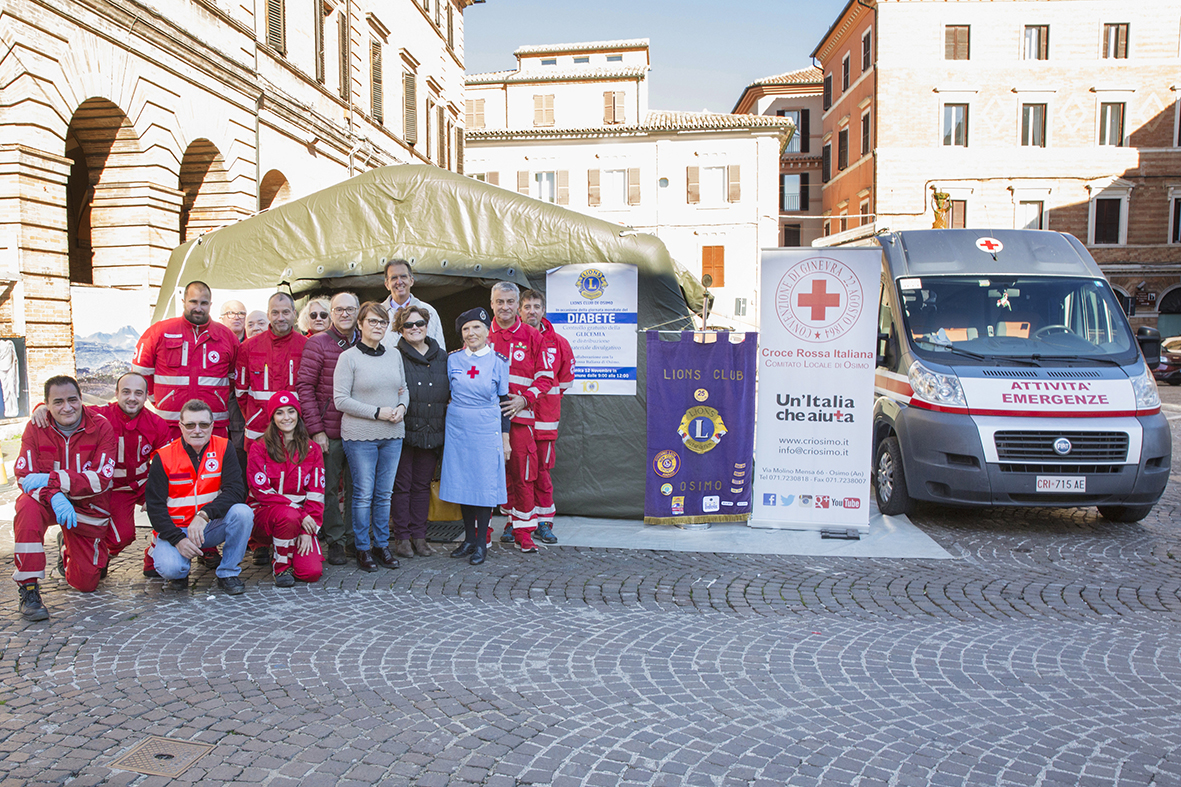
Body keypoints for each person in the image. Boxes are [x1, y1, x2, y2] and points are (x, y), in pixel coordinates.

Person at [28, 372, 172, 567]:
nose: (132, 398)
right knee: (122, 536)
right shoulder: (100, 415)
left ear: (146, 396)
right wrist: (41, 408)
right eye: (126, 392)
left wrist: (157, 492)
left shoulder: (157, 424)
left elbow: (166, 463)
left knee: (174, 508)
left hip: (142, 485)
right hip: (113, 487)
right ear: (116, 393)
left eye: (138, 393)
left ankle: (153, 560)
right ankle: (82, 554)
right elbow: (69, 409)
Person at [13, 376, 117, 621]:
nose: (67, 407)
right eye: (57, 402)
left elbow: (100, 479)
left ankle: (65, 547)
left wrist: (52, 479)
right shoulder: (35, 428)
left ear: (81, 399)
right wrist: (56, 496)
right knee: (27, 506)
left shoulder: (101, 427)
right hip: (48, 503)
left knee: (87, 583)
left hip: (87, 506)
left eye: (72, 399)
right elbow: (25, 478)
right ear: (46, 405)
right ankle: (28, 589)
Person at [145, 399, 252, 595]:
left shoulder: (224, 448)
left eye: (203, 424)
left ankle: (228, 573)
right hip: (175, 530)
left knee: (243, 513)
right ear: (180, 426)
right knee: (171, 569)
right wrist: (178, 540)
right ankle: (180, 570)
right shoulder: (163, 456)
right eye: (190, 425)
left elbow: (236, 491)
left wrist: (204, 515)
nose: (197, 430)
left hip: (207, 527)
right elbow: (155, 507)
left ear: (212, 426)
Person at [333, 302, 409, 572]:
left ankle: (382, 545)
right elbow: (341, 400)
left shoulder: (394, 355)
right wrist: (377, 412)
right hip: (360, 435)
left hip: (392, 434)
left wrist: (401, 408)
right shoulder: (349, 358)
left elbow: (403, 389)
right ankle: (363, 548)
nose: (378, 327)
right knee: (363, 494)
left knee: (384, 495)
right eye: (373, 322)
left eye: (382, 323)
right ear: (361, 325)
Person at [236, 292, 308, 565]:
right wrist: (256, 420)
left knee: (292, 484)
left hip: (294, 433)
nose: (280, 318)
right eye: (275, 313)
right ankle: (259, 543)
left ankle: (293, 535)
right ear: (268, 314)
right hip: (258, 434)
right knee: (257, 488)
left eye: (285, 312)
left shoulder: (305, 345)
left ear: (293, 313)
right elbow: (241, 392)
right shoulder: (249, 347)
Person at [439, 307, 511, 566]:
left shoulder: (499, 361)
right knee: (463, 483)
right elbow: (446, 392)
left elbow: (504, 402)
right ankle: (469, 539)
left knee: (483, 486)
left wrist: (505, 437)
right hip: (458, 428)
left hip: (485, 427)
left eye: (476, 328)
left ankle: (481, 543)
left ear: (487, 330)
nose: (471, 333)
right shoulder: (452, 360)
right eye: (466, 329)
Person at [488, 282, 554, 553]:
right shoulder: (481, 334)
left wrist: (524, 399)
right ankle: (484, 530)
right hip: (487, 422)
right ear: (492, 304)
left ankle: (524, 532)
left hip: (521, 419)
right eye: (499, 302)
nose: (504, 307)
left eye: (510, 302)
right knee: (488, 476)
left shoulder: (532, 336)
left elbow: (546, 377)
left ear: (518, 305)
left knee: (523, 476)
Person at [297, 292, 360, 565]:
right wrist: (316, 429)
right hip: (330, 430)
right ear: (332, 313)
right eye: (339, 309)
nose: (344, 314)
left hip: (360, 429)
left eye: (350, 309)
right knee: (330, 489)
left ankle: (354, 539)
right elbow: (305, 388)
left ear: (358, 311)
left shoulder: (366, 342)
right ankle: (335, 540)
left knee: (359, 487)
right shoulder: (318, 344)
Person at [132, 280, 239, 436]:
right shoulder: (160, 331)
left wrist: (217, 397)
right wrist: (160, 400)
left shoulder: (227, 337)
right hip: (170, 424)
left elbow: (233, 378)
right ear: (183, 302)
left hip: (213, 425)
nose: (198, 308)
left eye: (204, 303)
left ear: (210, 304)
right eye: (193, 302)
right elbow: (140, 374)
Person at [247, 391, 325, 586]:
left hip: (298, 520)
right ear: (272, 418)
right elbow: (261, 491)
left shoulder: (312, 449)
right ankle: (281, 567)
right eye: (279, 413)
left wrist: (307, 531)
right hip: (265, 516)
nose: (286, 417)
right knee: (288, 515)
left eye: (291, 411)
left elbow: (317, 494)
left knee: (311, 573)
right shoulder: (259, 448)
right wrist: (299, 512)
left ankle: (287, 546)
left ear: (298, 414)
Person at [390, 305, 448, 559]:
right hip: (403, 430)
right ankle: (402, 537)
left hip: (432, 430)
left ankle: (420, 536)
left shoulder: (443, 357)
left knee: (422, 486)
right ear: (400, 330)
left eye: (419, 324)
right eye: (408, 325)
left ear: (427, 325)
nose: (415, 328)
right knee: (402, 486)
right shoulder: (393, 356)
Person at [519, 289, 576, 545]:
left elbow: (563, 383)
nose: (532, 311)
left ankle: (543, 522)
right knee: (516, 473)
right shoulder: (512, 339)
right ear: (520, 310)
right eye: (527, 306)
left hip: (544, 421)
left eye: (536, 306)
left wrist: (547, 403)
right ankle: (516, 522)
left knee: (541, 472)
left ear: (544, 310)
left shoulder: (559, 343)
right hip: (518, 418)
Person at [379, 259, 446, 351]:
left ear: (411, 281)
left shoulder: (429, 311)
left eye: (403, 276)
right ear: (387, 284)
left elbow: (440, 350)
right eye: (394, 278)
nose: (399, 282)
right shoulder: (378, 314)